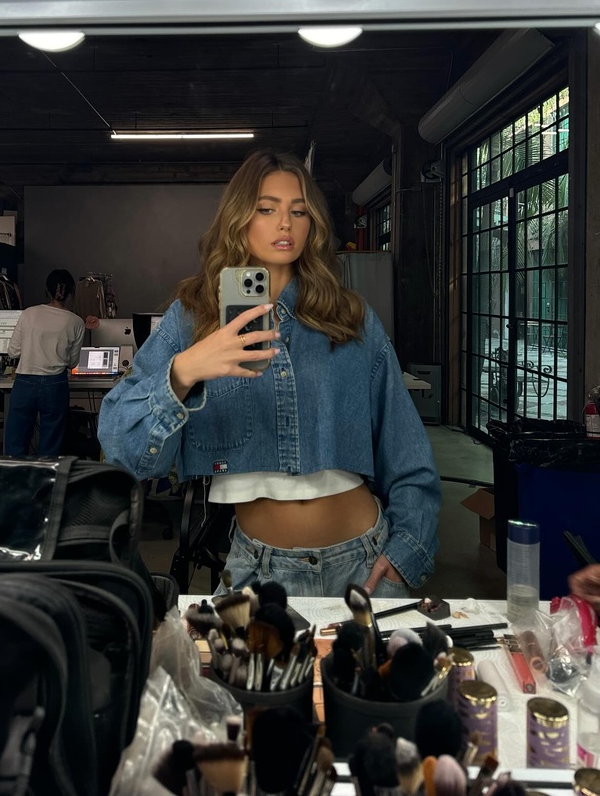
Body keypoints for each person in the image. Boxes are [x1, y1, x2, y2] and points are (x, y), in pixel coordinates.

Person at [98, 150, 442, 597]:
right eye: (266, 209)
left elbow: (407, 449)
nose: (285, 223)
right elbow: (121, 448)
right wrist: (185, 371)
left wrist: (405, 553)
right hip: (257, 572)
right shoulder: (192, 320)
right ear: (239, 218)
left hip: (364, 565)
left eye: (299, 211)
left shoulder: (350, 318)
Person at [5, 269, 95, 457]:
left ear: (47, 290)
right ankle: (47, 474)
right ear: (71, 293)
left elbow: (13, 351)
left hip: (24, 383)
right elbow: (72, 362)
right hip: (55, 385)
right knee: (51, 445)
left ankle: (15, 474)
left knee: (16, 442)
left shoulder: (29, 313)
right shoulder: (77, 322)